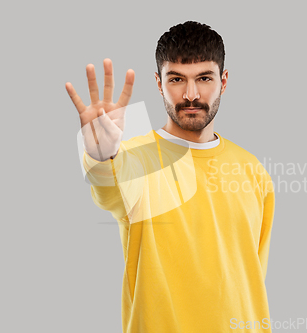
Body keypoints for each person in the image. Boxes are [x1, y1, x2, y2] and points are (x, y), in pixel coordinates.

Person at [66, 21, 275, 333]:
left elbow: (252, 275)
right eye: (177, 79)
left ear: (224, 80)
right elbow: (108, 190)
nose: (191, 94)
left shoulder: (252, 168)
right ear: (159, 83)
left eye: (204, 78)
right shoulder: (135, 159)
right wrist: (102, 153)